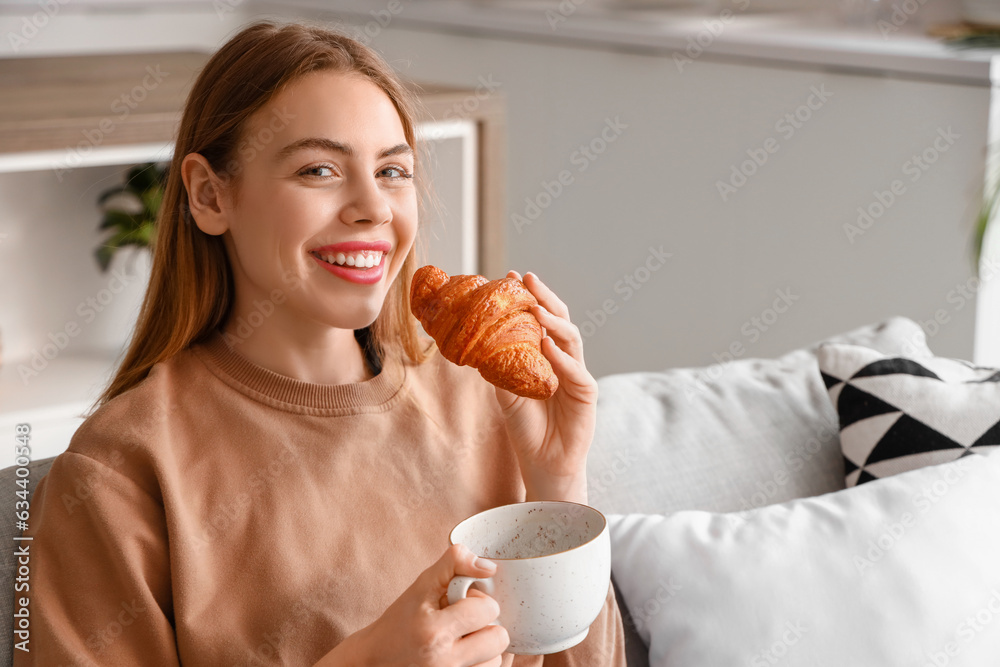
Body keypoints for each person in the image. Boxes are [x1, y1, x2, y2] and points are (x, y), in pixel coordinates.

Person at [14, 20, 626, 666]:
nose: (373, 207)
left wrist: (557, 483)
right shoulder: (120, 472)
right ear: (209, 194)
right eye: (320, 169)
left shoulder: (484, 403)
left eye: (393, 170)